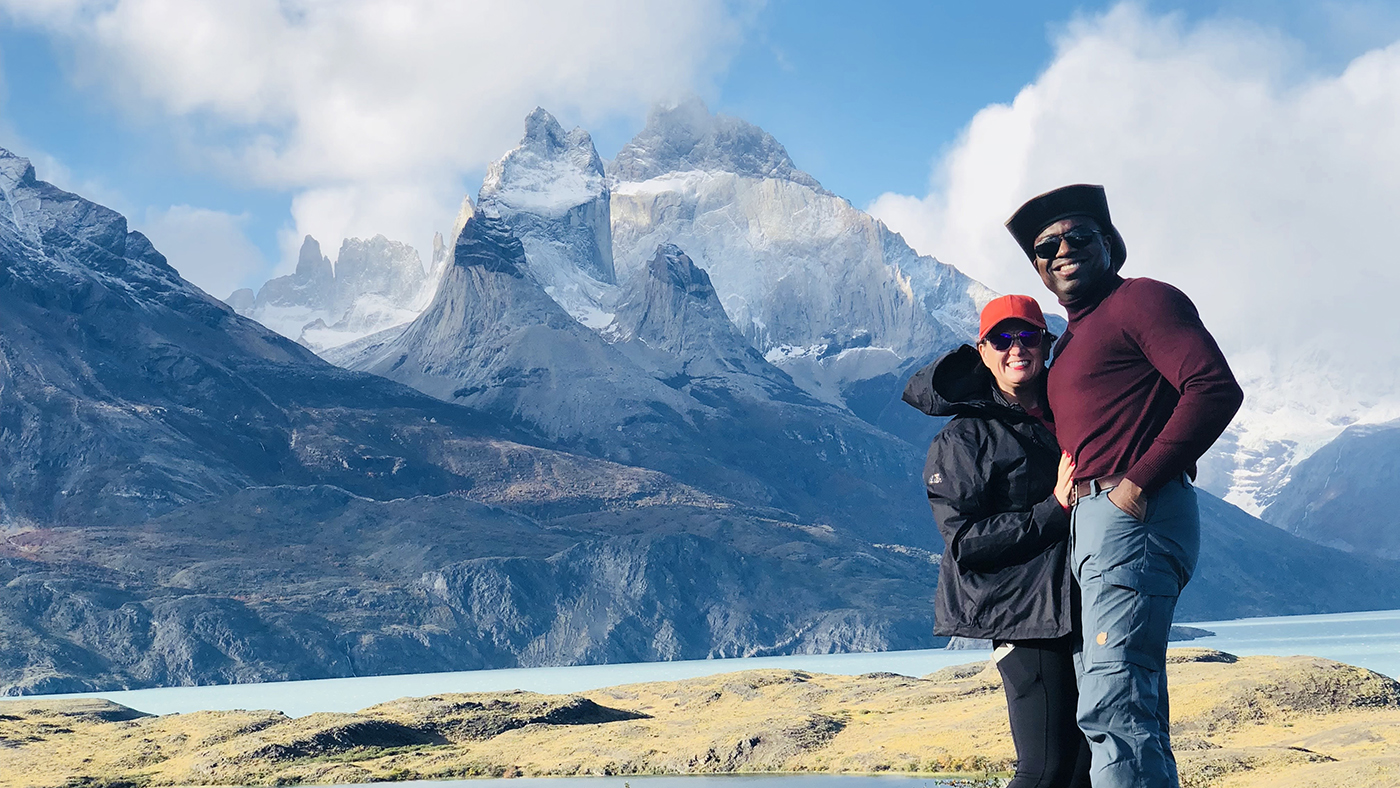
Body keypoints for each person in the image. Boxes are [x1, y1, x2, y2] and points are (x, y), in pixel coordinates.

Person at [1005, 185, 1243, 788]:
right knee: (1128, 702)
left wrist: (1136, 485)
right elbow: (1089, 426)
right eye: (1046, 246)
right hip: (1095, 526)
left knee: (1112, 702)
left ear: (1109, 244)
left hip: (1131, 516)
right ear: (1037, 265)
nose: (1063, 250)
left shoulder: (1142, 301)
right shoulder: (1072, 342)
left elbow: (1213, 388)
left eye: (1078, 236)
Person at [903, 294, 1091, 788]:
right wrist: (1053, 509)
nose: (1016, 349)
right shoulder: (964, 439)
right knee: (1044, 767)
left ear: (1046, 345)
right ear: (982, 350)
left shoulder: (1067, 413)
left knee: (1080, 770)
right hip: (1019, 614)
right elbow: (963, 542)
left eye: (1028, 336)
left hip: (1072, 606)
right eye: (1002, 339)